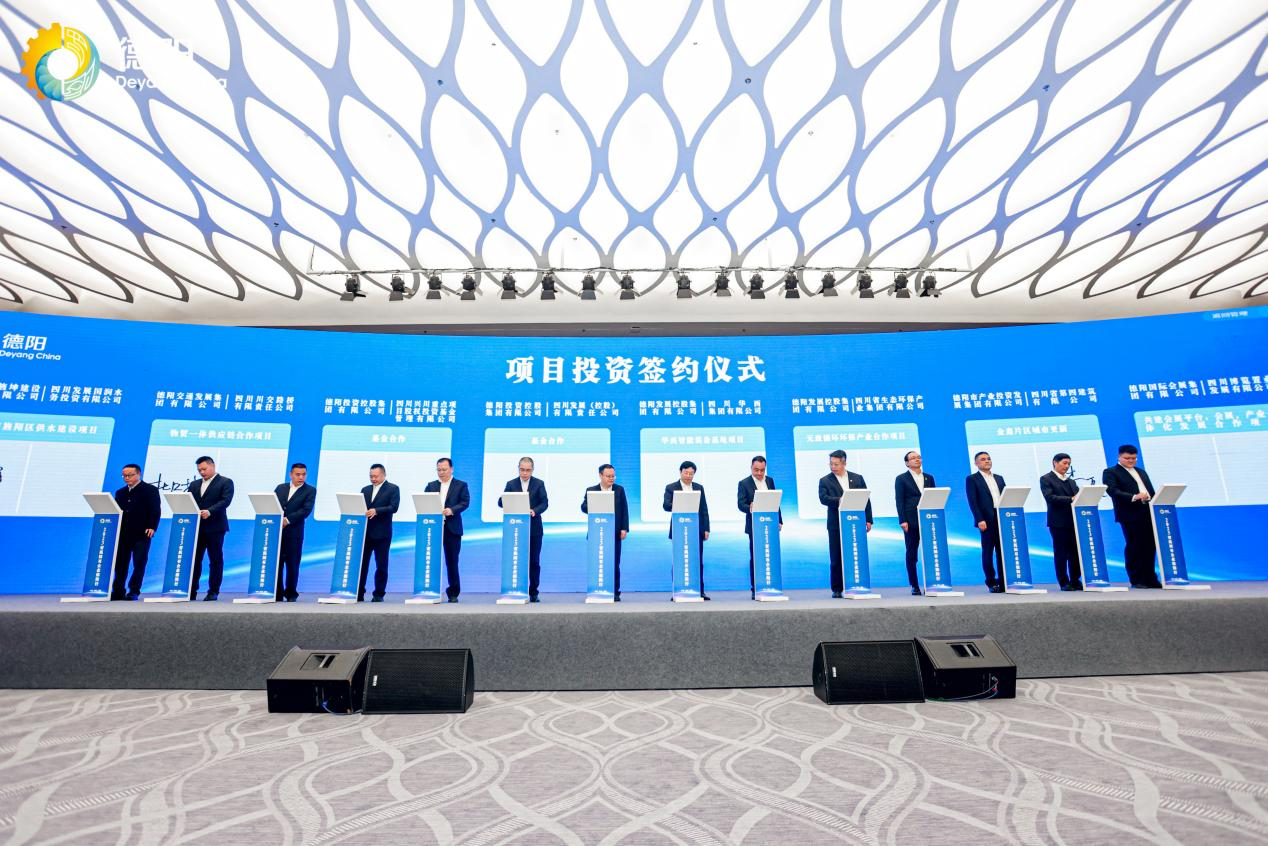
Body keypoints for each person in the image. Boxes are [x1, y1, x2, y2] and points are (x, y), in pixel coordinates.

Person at [1102, 445, 1161, 588]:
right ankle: (1137, 579)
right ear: (1119, 457)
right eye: (1127, 458)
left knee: (1150, 546)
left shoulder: (1141, 471)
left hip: (1148, 513)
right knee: (1135, 546)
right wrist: (1134, 497)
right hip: (1129, 514)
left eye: (1134, 458)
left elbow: (1151, 491)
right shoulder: (1111, 472)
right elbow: (1113, 491)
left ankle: (1150, 578)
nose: (1131, 461)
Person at [817, 449, 872, 598]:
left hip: (856, 523)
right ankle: (837, 588)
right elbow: (823, 498)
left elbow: (866, 499)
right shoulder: (825, 480)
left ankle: (858, 583)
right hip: (836, 524)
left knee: (856, 553)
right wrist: (840, 500)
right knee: (836, 557)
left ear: (844, 463)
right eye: (831, 464)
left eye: (836, 464)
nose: (833, 467)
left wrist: (868, 519)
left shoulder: (857, 478)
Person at [499, 457, 548, 602]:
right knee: (516, 560)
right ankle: (515, 589)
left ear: (532, 470)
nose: (525, 473)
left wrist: (534, 511)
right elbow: (500, 502)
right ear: (518, 469)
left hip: (534, 529)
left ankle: (533, 592)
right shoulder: (511, 484)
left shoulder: (539, 483)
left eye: (528, 470)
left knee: (534, 561)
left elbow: (544, 503)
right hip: (515, 529)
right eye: (522, 470)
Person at [110, 463, 160, 600]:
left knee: (139, 563)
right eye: (124, 476)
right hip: (123, 533)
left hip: (142, 533)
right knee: (120, 563)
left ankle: (134, 591)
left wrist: (152, 526)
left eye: (130, 475)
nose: (127, 478)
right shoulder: (120, 492)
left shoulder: (150, 490)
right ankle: (118, 590)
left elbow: (155, 510)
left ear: (138, 474)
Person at [581, 463, 630, 600]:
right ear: (600, 475)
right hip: (597, 533)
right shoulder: (591, 490)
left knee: (614, 562)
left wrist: (624, 528)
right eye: (608, 476)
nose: (611, 478)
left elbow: (624, 510)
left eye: (613, 476)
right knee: (597, 562)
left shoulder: (619, 490)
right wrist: (595, 504)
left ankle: (615, 592)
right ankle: (596, 590)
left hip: (615, 532)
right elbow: (584, 507)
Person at [737, 455, 783, 600]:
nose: (759, 473)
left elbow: (776, 502)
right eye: (756, 470)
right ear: (751, 468)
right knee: (756, 557)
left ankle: (772, 585)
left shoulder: (770, 481)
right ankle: (756, 588)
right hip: (754, 526)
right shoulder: (744, 483)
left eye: (762, 470)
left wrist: (779, 520)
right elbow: (740, 504)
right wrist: (749, 507)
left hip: (771, 525)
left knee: (771, 555)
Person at [663, 460, 711, 599]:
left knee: (697, 561)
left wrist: (706, 528)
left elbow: (704, 509)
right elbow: (666, 506)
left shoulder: (699, 487)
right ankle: (677, 590)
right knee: (679, 561)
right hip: (679, 529)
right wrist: (679, 502)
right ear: (680, 472)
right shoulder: (671, 487)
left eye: (691, 473)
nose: (689, 476)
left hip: (696, 530)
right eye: (686, 473)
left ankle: (699, 591)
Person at [424, 457, 470, 602]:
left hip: (452, 529)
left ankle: (453, 592)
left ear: (451, 469)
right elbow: (424, 502)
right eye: (439, 470)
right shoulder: (431, 486)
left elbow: (465, 502)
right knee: (431, 560)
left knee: (452, 561)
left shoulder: (461, 485)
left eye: (444, 469)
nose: (441, 472)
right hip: (433, 528)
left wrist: (452, 510)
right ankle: (430, 590)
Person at [188, 456, 233, 601]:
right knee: (195, 560)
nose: (202, 472)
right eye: (199, 470)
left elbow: (225, 501)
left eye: (204, 469)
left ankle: (213, 591)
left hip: (215, 527)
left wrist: (210, 511)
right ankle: (191, 590)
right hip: (197, 528)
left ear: (212, 466)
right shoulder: (194, 484)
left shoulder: (225, 482)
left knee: (215, 560)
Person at [965, 451, 1006, 592]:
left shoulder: (999, 478)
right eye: (983, 459)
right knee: (988, 551)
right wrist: (979, 519)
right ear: (976, 463)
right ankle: (991, 582)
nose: (987, 461)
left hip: (1002, 518)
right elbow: (973, 501)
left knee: (1002, 551)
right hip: (986, 520)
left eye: (989, 458)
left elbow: (1005, 496)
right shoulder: (972, 479)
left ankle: (1004, 581)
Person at [1040, 453, 1082, 591]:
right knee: (1061, 553)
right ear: (1055, 462)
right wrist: (1071, 499)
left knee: (1075, 552)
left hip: (1074, 521)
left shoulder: (1071, 482)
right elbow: (1050, 497)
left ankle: (1075, 580)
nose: (1067, 466)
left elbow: (1078, 498)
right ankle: (1064, 581)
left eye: (1069, 464)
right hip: (1058, 522)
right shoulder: (1046, 479)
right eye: (1064, 463)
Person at [274, 462, 315, 602]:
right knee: (277, 563)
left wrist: (287, 520)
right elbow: (273, 505)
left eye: (304, 474)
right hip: (277, 532)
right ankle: (277, 593)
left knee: (292, 564)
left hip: (294, 533)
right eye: (298, 474)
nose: (301, 477)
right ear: (291, 474)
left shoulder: (310, 490)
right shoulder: (280, 488)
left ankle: (291, 593)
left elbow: (306, 510)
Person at [894, 450, 933, 595]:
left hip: (928, 520)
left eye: (918, 457)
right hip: (911, 521)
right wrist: (903, 520)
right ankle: (914, 585)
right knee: (912, 553)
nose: (917, 459)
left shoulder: (929, 478)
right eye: (913, 458)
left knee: (930, 551)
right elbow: (899, 500)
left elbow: (934, 497)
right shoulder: (901, 478)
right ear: (907, 463)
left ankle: (932, 582)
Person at [359, 463, 399, 602]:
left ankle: (379, 594)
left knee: (381, 565)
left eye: (376, 476)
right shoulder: (365, 489)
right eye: (371, 476)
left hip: (382, 534)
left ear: (384, 475)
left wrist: (376, 511)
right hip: (365, 533)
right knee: (362, 565)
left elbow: (393, 507)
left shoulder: (393, 488)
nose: (373, 479)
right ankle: (359, 592)